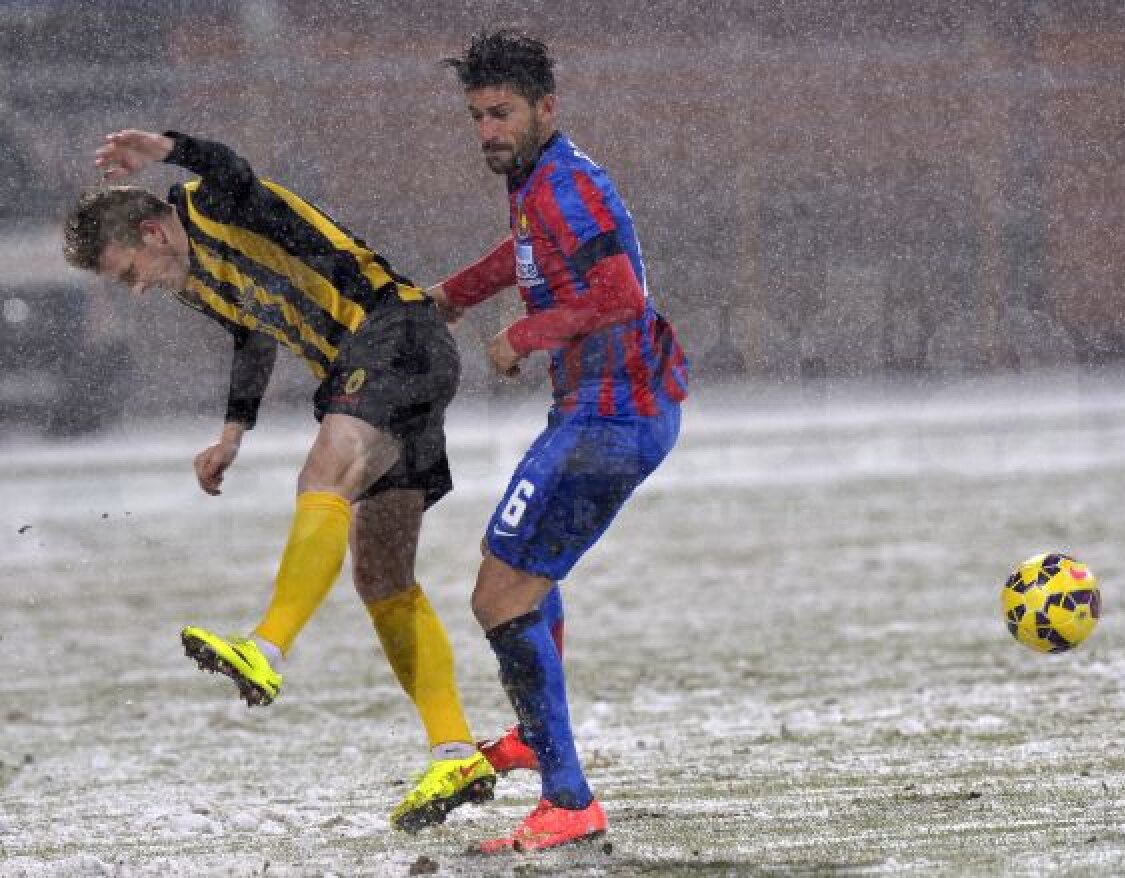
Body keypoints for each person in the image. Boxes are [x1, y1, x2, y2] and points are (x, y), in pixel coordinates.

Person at [62, 130, 495, 832]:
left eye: (127, 272)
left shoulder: (213, 205)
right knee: (382, 575)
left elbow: (230, 165)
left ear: (151, 230)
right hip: (387, 363)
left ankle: (265, 649)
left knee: (323, 472)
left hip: (393, 334)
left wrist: (166, 145)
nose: (136, 290)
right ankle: (455, 750)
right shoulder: (195, 280)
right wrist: (233, 431)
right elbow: (253, 333)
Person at [431, 30, 689, 853]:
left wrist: (526, 333)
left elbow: (619, 296)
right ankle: (538, 743)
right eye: (477, 116)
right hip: (605, 411)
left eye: (501, 113)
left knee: (497, 596)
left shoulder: (565, 185)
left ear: (547, 108)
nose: (487, 132)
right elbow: (531, 252)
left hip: (612, 417)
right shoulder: (539, 177)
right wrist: (459, 293)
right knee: (523, 574)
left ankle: (568, 798)